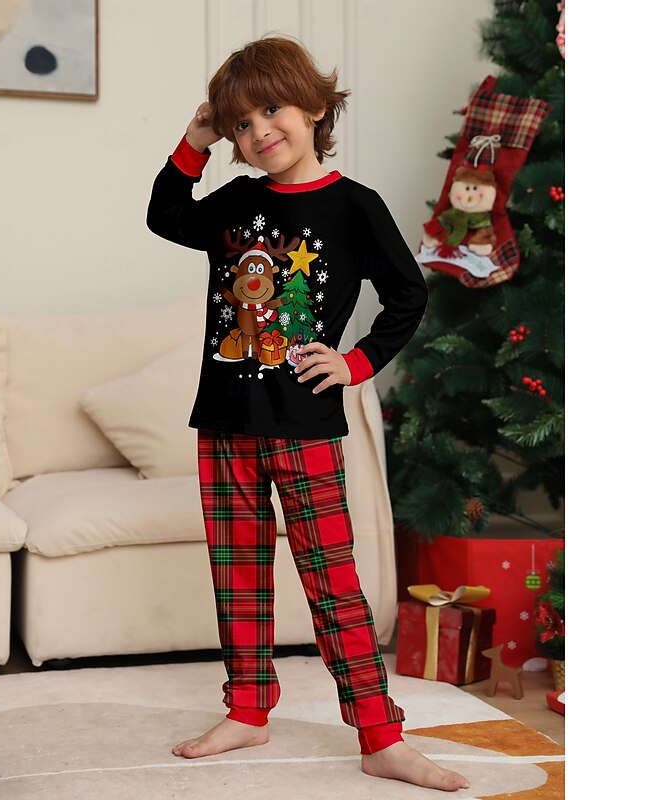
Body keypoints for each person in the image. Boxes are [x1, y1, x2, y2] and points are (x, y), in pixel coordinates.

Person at [146, 35, 469, 792]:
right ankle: (248, 711)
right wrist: (195, 141)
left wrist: (355, 364)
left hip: (305, 425)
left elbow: (408, 294)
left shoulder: (355, 207)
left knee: (332, 581)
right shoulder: (235, 204)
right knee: (238, 577)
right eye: (241, 124)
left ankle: (381, 736)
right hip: (224, 422)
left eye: (272, 110)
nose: (260, 131)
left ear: (315, 107)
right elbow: (166, 215)